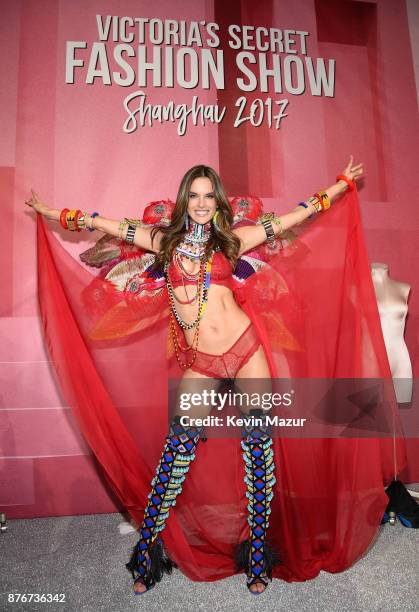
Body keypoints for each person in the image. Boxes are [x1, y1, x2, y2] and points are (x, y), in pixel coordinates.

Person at [25, 157, 364, 595]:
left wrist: (338, 187)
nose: (202, 203)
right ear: (185, 201)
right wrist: (53, 213)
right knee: (175, 457)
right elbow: (101, 224)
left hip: (246, 350)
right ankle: (147, 554)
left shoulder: (232, 242)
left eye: (209, 196)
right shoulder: (161, 241)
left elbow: (290, 218)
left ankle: (257, 553)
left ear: (217, 202)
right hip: (202, 360)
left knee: (259, 452)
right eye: (196, 195)